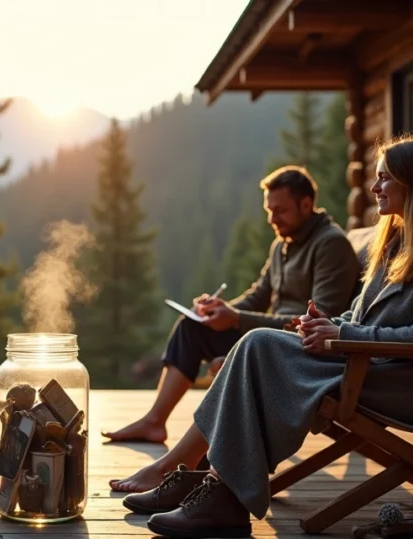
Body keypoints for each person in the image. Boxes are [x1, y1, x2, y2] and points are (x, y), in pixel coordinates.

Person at [110, 135, 413, 538]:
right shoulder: (399, 240)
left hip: (401, 379)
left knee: (259, 345)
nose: (375, 187)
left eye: (385, 178)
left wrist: (343, 332)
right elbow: (358, 314)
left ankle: (209, 487)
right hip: (364, 360)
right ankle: (209, 484)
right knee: (254, 346)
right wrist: (325, 325)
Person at [102, 166, 360, 444]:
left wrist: (236, 318)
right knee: (193, 326)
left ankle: (215, 450)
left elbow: (320, 321)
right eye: (269, 210)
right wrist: (219, 310)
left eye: (280, 210)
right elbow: (257, 296)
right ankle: (155, 421)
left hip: (298, 349)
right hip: (270, 338)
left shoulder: (330, 245)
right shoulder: (282, 245)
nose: (272, 219)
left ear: (306, 205)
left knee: (225, 354)